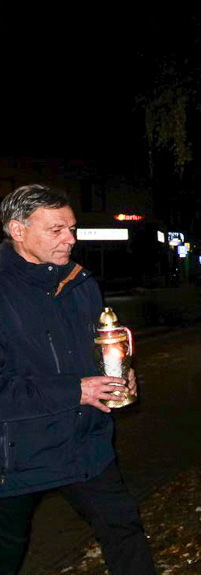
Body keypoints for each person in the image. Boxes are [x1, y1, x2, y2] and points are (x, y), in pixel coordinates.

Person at [0, 185, 156, 574]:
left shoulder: (81, 283)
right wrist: (76, 390)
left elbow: (95, 354)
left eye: (71, 228)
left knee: (125, 531)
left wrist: (117, 374)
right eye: (56, 230)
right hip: (16, 455)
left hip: (84, 446)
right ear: (17, 231)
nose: (70, 239)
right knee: (7, 550)